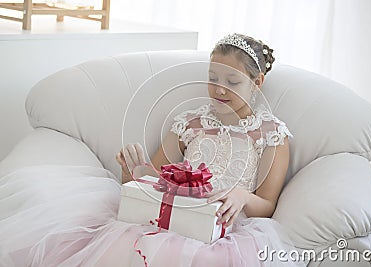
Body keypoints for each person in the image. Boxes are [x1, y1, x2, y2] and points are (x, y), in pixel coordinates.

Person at [0, 34, 305, 267]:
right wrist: (133, 171)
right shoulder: (191, 122)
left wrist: (241, 196)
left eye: (232, 82)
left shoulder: (271, 134)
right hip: (170, 217)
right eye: (212, 79)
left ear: (257, 82)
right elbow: (155, 179)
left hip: (225, 231)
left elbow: (267, 203)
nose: (219, 90)